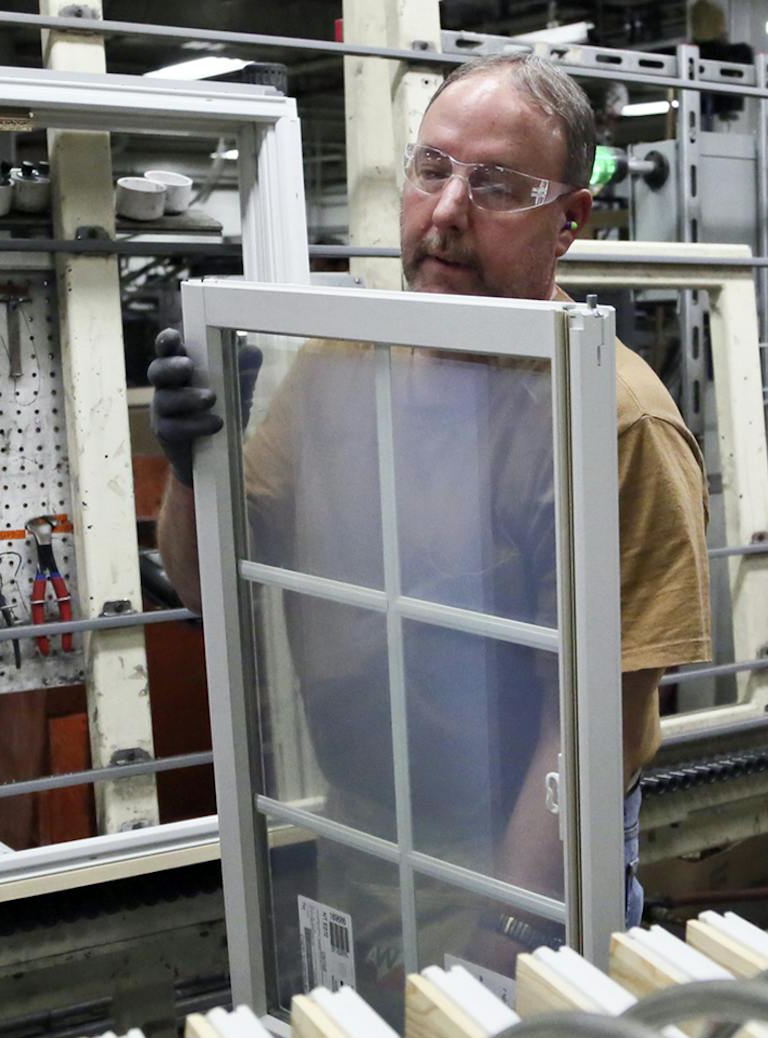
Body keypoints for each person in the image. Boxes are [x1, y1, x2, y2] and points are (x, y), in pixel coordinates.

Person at [148, 52, 711, 997]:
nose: (447, 211)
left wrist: (505, 929)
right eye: (432, 169)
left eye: (495, 184)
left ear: (569, 220)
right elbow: (212, 586)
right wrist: (186, 468)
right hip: (356, 831)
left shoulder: (607, 419)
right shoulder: (338, 367)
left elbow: (595, 727)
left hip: (518, 858)